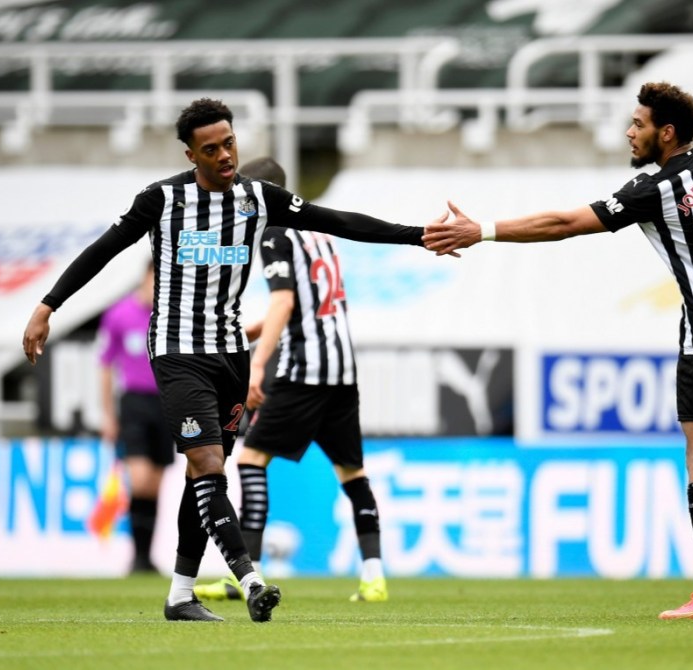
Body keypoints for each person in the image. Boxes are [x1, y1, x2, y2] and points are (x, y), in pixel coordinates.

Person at [422, 81, 693, 620]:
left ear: (667, 132)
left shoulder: (653, 186)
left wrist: (483, 231)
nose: (629, 132)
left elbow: (565, 225)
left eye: (638, 124)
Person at [22, 97, 439, 623]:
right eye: (211, 149)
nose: (224, 155)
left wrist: (417, 236)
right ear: (190, 154)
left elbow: (337, 220)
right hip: (178, 352)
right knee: (208, 466)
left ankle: (179, 594)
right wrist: (48, 305)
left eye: (229, 143)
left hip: (230, 356)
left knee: (203, 478)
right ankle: (250, 577)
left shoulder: (258, 200)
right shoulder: (162, 200)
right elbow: (102, 250)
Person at [195, 156, 389, 605]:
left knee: (251, 460)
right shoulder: (319, 234)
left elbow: (284, 302)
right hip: (341, 368)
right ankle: (374, 577)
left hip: (304, 370)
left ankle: (249, 574)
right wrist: (249, 333)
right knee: (352, 472)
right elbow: (306, 302)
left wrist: (257, 366)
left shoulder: (276, 233)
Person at [97, 260, 171, 575]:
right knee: (138, 479)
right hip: (135, 404)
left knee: (155, 484)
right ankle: (137, 555)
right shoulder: (118, 314)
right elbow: (105, 367)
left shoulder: (169, 317)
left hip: (167, 403)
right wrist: (108, 415)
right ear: (145, 277)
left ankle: (145, 558)